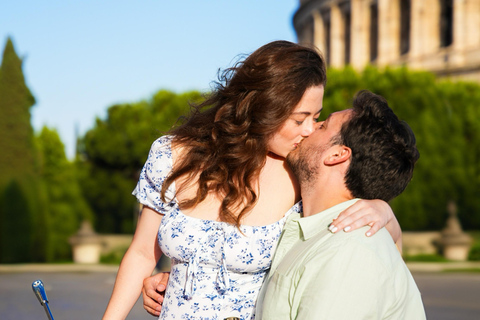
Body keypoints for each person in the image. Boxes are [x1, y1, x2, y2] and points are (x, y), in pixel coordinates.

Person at [103, 41, 402, 320]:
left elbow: (354, 241)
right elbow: (142, 252)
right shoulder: (171, 155)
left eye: (316, 116)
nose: (310, 130)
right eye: (300, 119)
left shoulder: (298, 173)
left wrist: (383, 211)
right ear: (262, 109)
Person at [256, 90, 426, 319]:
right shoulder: (313, 227)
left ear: (337, 155)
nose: (308, 128)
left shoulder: (351, 251)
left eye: (323, 125)